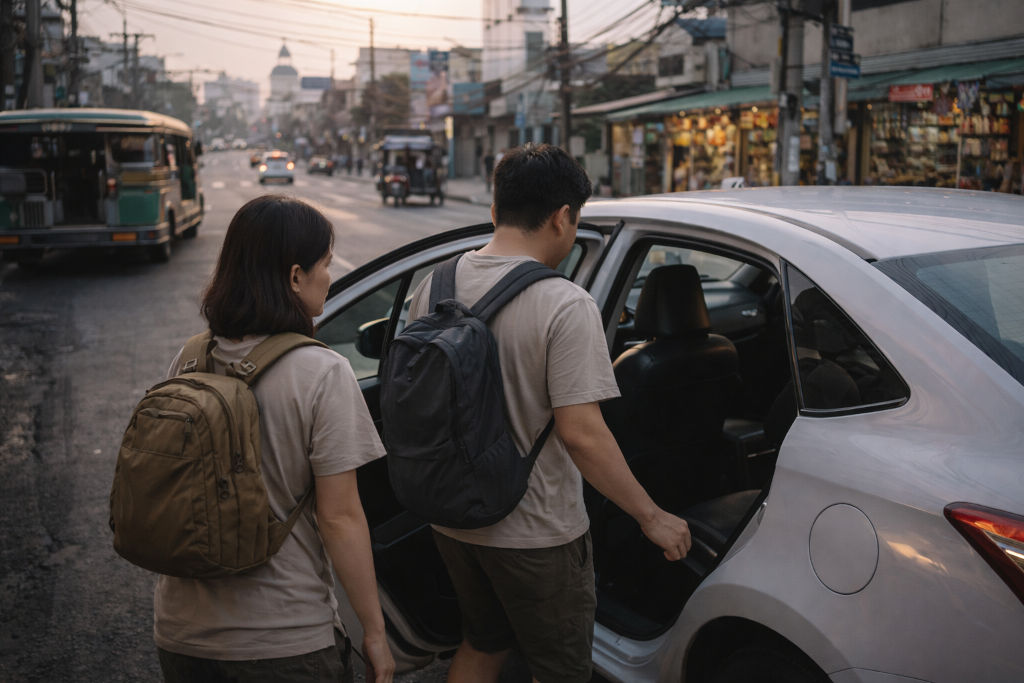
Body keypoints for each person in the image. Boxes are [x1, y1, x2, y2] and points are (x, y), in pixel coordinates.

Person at [406, 144, 691, 683]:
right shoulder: (564, 304)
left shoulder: (434, 286)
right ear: (564, 217)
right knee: (559, 668)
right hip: (535, 534)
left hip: (451, 517)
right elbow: (582, 434)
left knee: (483, 643)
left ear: (495, 210)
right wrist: (651, 517)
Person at [154, 195, 395, 683]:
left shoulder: (191, 356)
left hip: (182, 635)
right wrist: (374, 631)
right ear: (294, 277)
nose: (328, 275)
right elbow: (339, 517)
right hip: (282, 640)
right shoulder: (322, 371)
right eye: (325, 264)